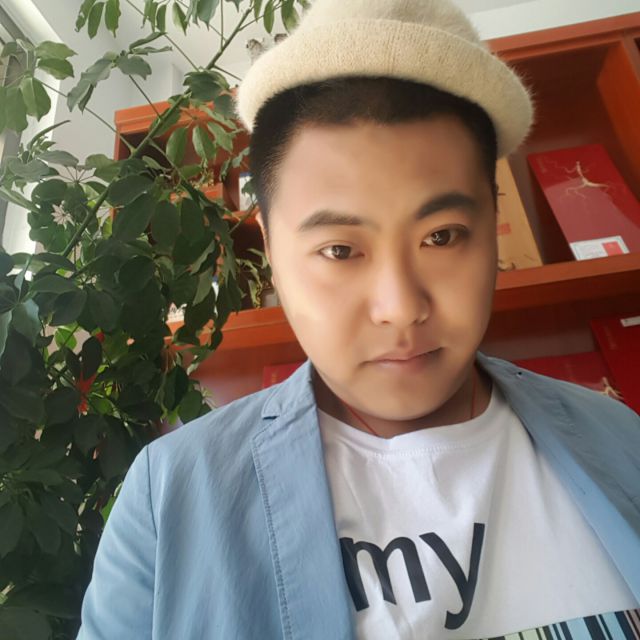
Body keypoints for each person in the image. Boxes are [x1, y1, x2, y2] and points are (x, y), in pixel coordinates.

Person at [76, 0, 640, 638]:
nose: (400, 307)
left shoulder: (619, 441)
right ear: (272, 253)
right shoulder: (173, 495)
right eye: (340, 250)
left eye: (443, 236)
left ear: (492, 227)